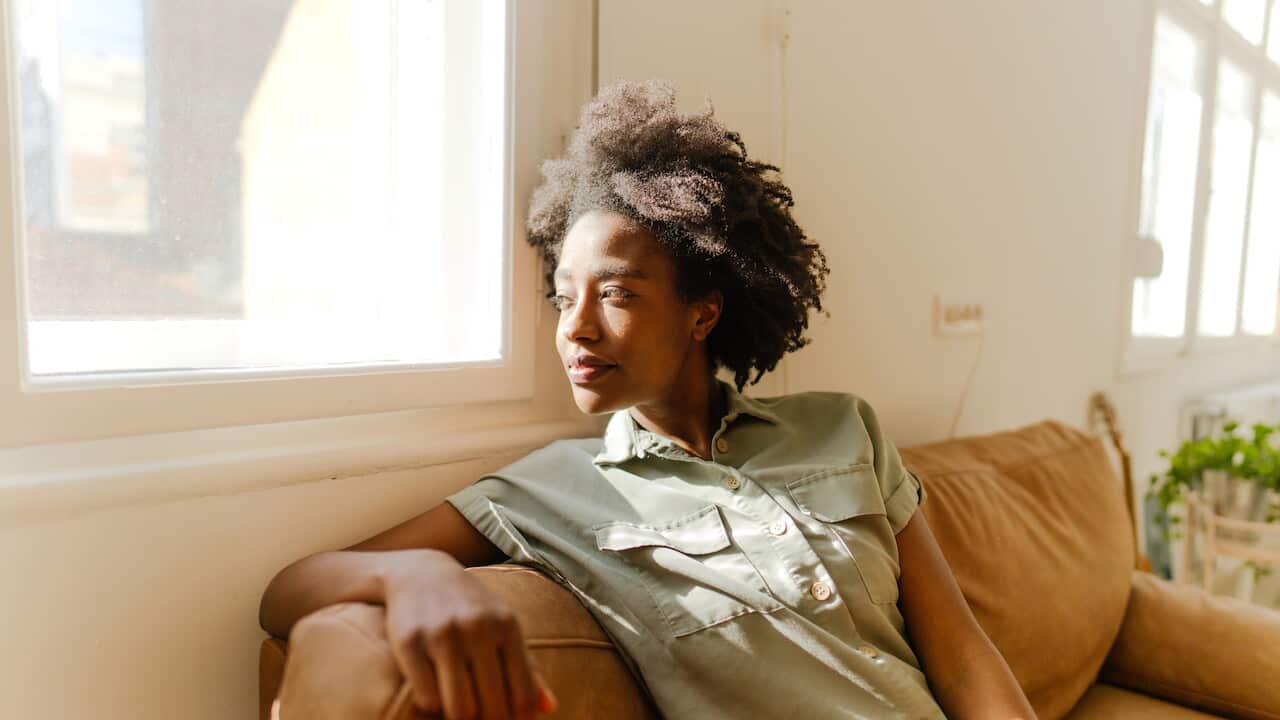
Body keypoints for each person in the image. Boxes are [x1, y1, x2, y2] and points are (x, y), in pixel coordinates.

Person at [259, 80, 1036, 720]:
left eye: (619, 294)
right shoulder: (552, 492)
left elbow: (963, 658)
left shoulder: (844, 428)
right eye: (564, 299)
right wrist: (415, 576)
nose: (578, 329)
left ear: (703, 311)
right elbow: (286, 592)